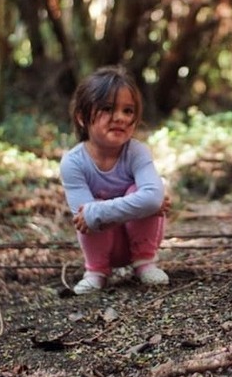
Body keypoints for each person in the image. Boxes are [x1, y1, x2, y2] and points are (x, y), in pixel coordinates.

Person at [60, 66, 171, 294]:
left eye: (128, 111)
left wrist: (97, 212)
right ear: (82, 117)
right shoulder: (73, 162)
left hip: (140, 242)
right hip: (101, 247)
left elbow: (152, 198)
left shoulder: (137, 152)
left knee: (132, 191)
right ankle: (96, 272)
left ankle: (145, 264)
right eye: (108, 109)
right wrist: (141, 204)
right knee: (95, 207)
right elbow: (83, 218)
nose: (120, 118)